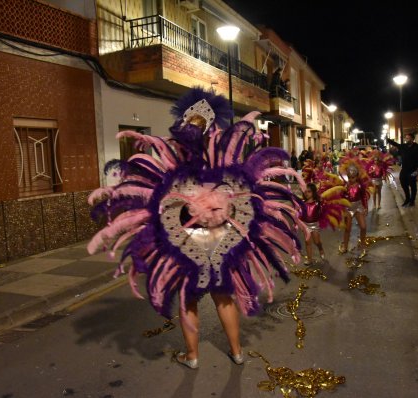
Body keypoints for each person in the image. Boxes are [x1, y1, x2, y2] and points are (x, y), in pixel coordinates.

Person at [87, 88, 303, 370]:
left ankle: (192, 356)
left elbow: (159, 201)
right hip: (222, 239)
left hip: (186, 241)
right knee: (224, 296)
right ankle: (236, 352)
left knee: (188, 299)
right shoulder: (225, 163)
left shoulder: (176, 163)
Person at [339, 158, 369, 253]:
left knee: (363, 227)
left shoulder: (360, 186)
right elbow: (341, 199)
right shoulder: (345, 187)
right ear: (348, 176)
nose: (352, 179)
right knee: (347, 229)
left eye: (353, 177)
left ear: (357, 176)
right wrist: (343, 210)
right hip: (348, 209)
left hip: (358, 207)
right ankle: (345, 245)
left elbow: (364, 197)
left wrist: (366, 208)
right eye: (350, 177)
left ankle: (363, 243)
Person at [387, 133, 418, 207]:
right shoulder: (403, 146)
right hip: (405, 169)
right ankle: (407, 198)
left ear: (412, 139)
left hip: (413, 169)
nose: (407, 140)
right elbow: (396, 144)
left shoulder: (417, 147)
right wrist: (388, 140)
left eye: (408, 138)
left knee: (412, 185)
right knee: (403, 183)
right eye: (406, 138)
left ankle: (412, 200)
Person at [299, 183, 325, 264]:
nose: (306, 193)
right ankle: (310, 259)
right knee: (307, 242)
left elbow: (324, 210)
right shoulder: (302, 203)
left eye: (309, 191)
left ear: (313, 192)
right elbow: (300, 214)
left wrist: (322, 201)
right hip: (305, 225)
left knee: (316, 241)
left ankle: (320, 248)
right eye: (305, 192)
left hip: (315, 225)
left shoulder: (317, 203)